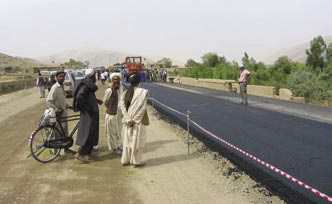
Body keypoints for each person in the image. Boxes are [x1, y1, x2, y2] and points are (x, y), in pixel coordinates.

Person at [74, 68, 103, 162]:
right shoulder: (86, 85)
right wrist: (86, 108)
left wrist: (96, 100)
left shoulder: (89, 84)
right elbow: (79, 96)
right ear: (93, 76)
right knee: (88, 133)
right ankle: (79, 154)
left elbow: (88, 96)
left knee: (92, 133)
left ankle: (89, 153)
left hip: (92, 112)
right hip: (88, 114)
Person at [121, 72, 149, 167]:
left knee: (127, 140)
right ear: (139, 81)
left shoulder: (125, 93)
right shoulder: (143, 92)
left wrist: (128, 119)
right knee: (137, 141)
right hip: (138, 122)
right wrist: (135, 120)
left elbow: (122, 107)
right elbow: (142, 108)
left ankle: (125, 160)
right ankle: (136, 162)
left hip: (128, 122)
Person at [46, 70, 76, 155]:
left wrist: (69, 106)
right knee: (57, 134)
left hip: (64, 114)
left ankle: (66, 149)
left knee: (65, 133)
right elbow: (48, 101)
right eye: (60, 76)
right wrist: (56, 109)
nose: (62, 78)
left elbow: (63, 100)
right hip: (58, 115)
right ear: (56, 77)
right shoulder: (55, 87)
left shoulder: (61, 86)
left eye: (63, 76)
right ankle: (55, 153)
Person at [103, 74, 123, 155]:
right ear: (112, 81)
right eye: (114, 80)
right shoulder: (109, 90)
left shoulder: (120, 90)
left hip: (118, 114)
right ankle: (114, 149)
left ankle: (118, 146)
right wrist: (111, 108)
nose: (116, 81)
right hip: (111, 114)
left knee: (118, 130)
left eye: (117, 80)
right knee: (111, 132)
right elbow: (105, 101)